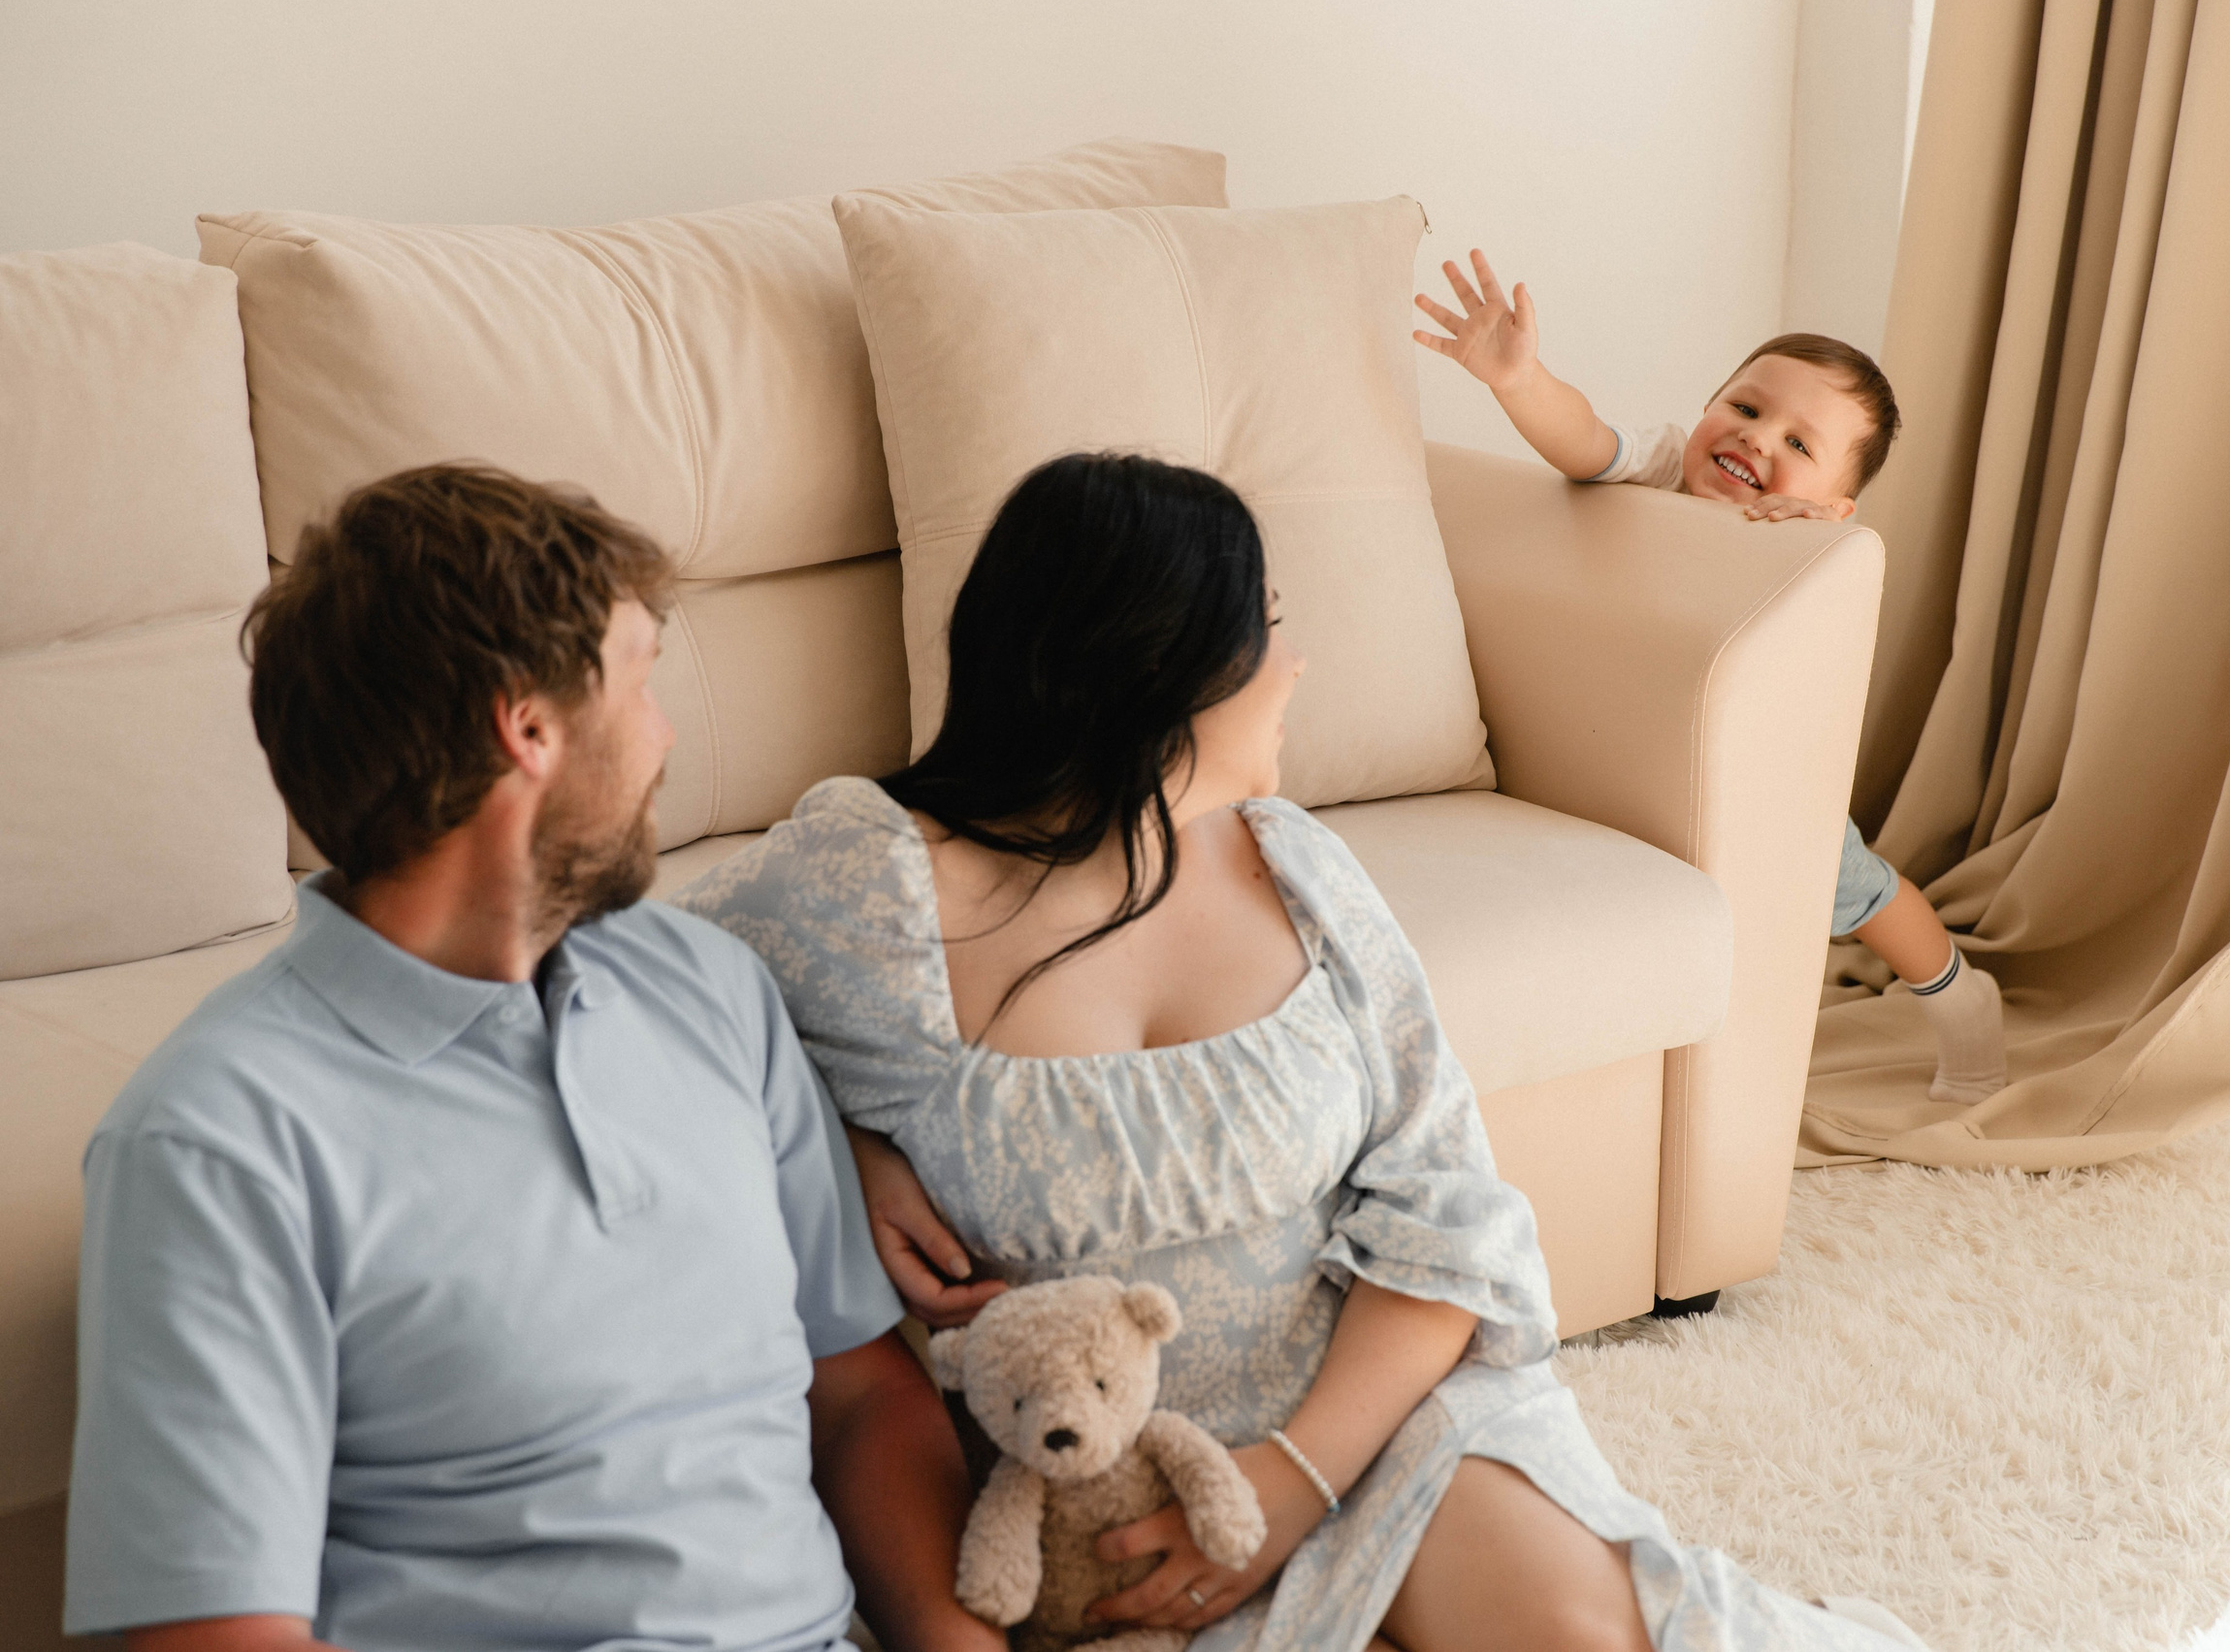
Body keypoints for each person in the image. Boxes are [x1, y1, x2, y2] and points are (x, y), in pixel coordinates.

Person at [679, 453, 1926, 1651]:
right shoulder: (873, 889)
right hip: (1108, 1504)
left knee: (1591, 1638)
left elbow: (1446, 1209)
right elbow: (631, 989)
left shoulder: (1296, 869)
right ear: (1163, 668)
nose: (1297, 658)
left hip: (1379, 1427)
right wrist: (841, 1146)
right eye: (1267, 621)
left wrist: (1293, 1482)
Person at [63, 466, 1002, 1652]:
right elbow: (208, 1634)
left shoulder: (708, 989)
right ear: (531, 728)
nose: (664, 737)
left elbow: (859, 1391)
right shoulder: (215, 1144)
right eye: (642, 683)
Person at [1415, 249, 2006, 1106]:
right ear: (1706, 408)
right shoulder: (1659, 470)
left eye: (1799, 443)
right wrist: (1519, 380)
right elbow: (1582, 440)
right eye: (1745, 406)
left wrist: (1810, 540)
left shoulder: (1815, 541)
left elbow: (1833, 615)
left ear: (1836, 502)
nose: (1757, 439)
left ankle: (1960, 997)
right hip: (1648, 750)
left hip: (1769, 766)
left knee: (1856, 892)